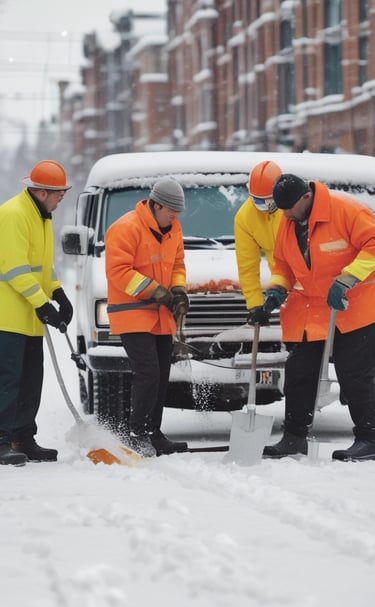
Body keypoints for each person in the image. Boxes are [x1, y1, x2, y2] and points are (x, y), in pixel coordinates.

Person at [261, 173, 375, 461]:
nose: (285, 214)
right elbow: (282, 264)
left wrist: (347, 280)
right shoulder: (288, 224)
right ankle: (295, 437)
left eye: (289, 208)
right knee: (299, 372)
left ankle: (370, 438)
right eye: (282, 209)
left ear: (306, 197)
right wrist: (276, 290)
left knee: (355, 374)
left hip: (356, 306)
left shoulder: (346, 210)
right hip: (313, 311)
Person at [105, 177, 190, 457]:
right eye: (169, 212)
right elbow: (119, 272)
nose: (174, 218)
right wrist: (157, 293)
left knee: (162, 374)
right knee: (148, 373)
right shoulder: (125, 228)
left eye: (177, 213)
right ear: (154, 206)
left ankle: (154, 432)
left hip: (160, 316)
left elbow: (178, 264)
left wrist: (178, 291)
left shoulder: (174, 229)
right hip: (132, 314)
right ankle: (136, 433)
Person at [0, 160, 74, 466]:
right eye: (58, 194)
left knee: (31, 379)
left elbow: (42, 266)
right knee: (8, 380)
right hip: (8, 317)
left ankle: (23, 438)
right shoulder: (13, 215)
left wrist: (58, 293)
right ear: (42, 192)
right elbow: (14, 268)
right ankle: (2, 439)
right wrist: (43, 304)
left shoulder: (42, 217)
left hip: (29, 317)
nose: (61, 199)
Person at [234, 160, 282, 325]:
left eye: (269, 201)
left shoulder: (294, 208)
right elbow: (247, 265)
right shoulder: (245, 218)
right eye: (258, 201)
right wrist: (255, 305)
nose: (264, 207)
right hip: (282, 284)